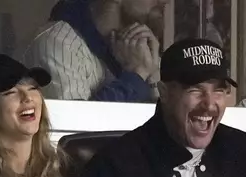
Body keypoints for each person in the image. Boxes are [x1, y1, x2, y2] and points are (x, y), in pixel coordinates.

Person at [77, 38, 246, 177]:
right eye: (195, 89)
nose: (209, 103)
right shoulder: (114, 165)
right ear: (164, 93)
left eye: (219, 91)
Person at [23, 0, 166, 102]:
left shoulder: (139, 45)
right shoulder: (58, 43)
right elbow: (76, 131)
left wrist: (151, 75)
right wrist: (136, 76)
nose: (165, 1)